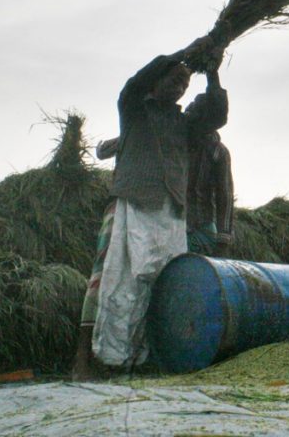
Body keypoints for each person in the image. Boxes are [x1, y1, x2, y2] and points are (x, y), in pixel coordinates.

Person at [93, 41, 228, 368]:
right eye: (174, 80)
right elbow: (135, 82)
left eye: (184, 83)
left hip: (172, 209)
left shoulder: (184, 125)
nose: (180, 87)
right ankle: (117, 356)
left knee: (166, 278)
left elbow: (217, 115)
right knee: (129, 278)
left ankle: (152, 355)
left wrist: (211, 73)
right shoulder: (134, 108)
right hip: (139, 200)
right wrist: (186, 52)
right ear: (156, 82)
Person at [71, 137, 119, 380]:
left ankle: (110, 358)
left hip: (152, 214)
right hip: (121, 207)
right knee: (101, 277)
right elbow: (102, 150)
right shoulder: (136, 130)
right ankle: (83, 359)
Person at [186, 131, 234, 256]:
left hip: (202, 224)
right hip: (176, 221)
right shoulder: (180, 143)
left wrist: (223, 238)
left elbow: (225, 195)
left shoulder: (218, 151)